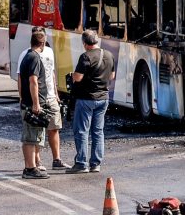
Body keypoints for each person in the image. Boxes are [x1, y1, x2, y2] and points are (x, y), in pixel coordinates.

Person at [17, 27, 71, 173]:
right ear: (43, 41)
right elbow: (27, 80)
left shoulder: (47, 52)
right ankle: (33, 165)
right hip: (36, 99)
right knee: (34, 133)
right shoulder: (30, 56)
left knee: (51, 128)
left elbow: (52, 73)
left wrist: (56, 93)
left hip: (49, 97)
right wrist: (27, 100)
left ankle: (56, 160)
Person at [67, 30, 115, 174]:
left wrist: (72, 75)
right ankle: (95, 164)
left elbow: (78, 77)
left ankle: (81, 164)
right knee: (98, 131)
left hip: (86, 99)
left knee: (82, 131)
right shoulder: (108, 54)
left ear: (84, 43)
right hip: (103, 99)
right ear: (96, 41)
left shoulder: (85, 57)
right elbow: (112, 76)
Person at [17, 28, 50, 179]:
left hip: (27, 102)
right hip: (31, 104)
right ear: (42, 43)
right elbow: (33, 81)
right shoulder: (35, 58)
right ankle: (30, 169)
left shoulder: (28, 56)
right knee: (30, 138)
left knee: (30, 137)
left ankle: (31, 167)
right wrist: (36, 104)